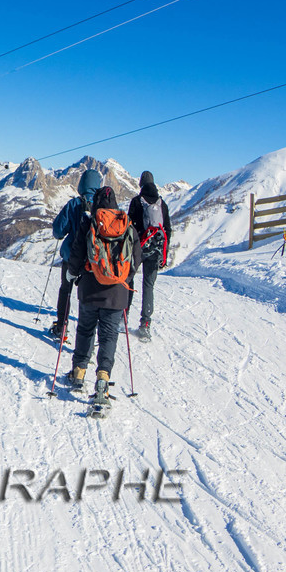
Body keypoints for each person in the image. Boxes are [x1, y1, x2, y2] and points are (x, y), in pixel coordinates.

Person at [63, 186, 141, 402]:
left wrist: (72, 274)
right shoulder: (127, 225)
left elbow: (77, 253)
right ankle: (103, 379)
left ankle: (78, 372)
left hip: (89, 288)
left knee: (85, 329)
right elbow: (136, 258)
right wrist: (124, 278)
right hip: (116, 294)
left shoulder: (89, 223)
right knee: (108, 336)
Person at [49, 168, 103, 339]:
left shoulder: (74, 204)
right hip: (93, 260)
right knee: (88, 297)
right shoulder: (103, 205)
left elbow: (58, 231)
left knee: (66, 289)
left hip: (71, 256)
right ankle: (88, 336)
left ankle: (61, 327)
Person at [127, 171, 172, 340]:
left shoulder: (137, 201)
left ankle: (123, 317)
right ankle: (145, 324)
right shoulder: (162, 204)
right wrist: (164, 253)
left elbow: (129, 226)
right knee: (148, 286)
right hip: (156, 250)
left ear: (141, 184)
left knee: (128, 280)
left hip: (138, 248)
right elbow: (168, 229)